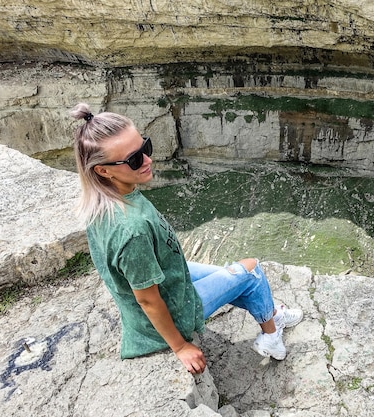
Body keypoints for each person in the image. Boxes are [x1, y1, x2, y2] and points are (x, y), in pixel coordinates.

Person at [71, 103, 302, 374]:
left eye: (146, 148)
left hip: (169, 278)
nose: (148, 160)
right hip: (173, 310)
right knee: (251, 270)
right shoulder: (131, 230)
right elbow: (147, 300)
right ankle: (272, 336)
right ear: (103, 171)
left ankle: (271, 313)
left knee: (233, 276)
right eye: (134, 159)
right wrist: (180, 347)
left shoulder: (105, 202)